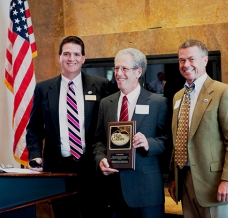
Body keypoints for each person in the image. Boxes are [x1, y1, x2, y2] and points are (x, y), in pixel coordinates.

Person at [26, 36, 109, 218]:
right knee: (64, 214)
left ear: (84, 58)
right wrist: (35, 155)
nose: (72, 58)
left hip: (91, 166)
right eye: (67, 54)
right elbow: (34, 127)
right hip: (59, 167)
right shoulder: (43, 88)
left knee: (94, 213)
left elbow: (108, 123)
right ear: (59, 57)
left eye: (76, 54)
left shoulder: (101, 85)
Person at [168, 39, 228, 218]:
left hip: (215, 184)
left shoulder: (223, 92)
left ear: (205, 60)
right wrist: (174, 177)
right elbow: (179, 139)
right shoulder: (178, 96)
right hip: (185, 180)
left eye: (191, 59)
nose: (186, 65)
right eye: (182, 60)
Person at [93, 48, 169, 218]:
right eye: (116, 68)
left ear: (138, 72)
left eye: (124, 69)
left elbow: (167, 141)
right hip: (114, 191)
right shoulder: (106, 104)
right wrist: (100, 160)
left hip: (147, 192)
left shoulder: (158, 103)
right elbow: (98, 141)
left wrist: (149, 143)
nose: (118, 73)